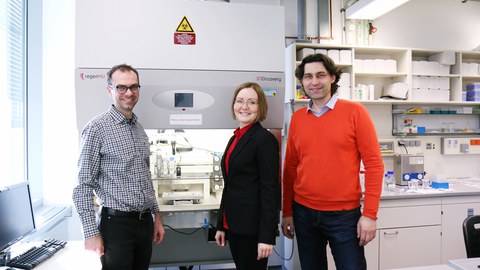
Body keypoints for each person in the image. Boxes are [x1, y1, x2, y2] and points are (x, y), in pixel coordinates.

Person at [281, 53, 384, 270]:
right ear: (302, 82)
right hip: (304, 213)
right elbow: (290, 169)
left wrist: (369, 215)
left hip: (344, 217)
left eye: (320, 75)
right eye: (308, 76)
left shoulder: (355, 112)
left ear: (333, 78)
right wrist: (287, 212)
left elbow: (374, 165)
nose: (314, 82)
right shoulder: (298, 119)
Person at [72, 64, 165, 270]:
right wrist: (90, 233)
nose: (129, 93)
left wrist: (156, 216)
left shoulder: (139, 130)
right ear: (110, 90)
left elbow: (145, 177)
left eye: (134, 87)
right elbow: (83, 184)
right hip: (115, 226)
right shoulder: (96, 128)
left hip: (144, 224)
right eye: (121, 87)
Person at [215, 82, 280, 270]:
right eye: (240, 101)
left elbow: (270, 190)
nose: (244, 107)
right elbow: (230, 186)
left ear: (260, 108)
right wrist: (221, 224)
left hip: (252, 229)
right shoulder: (235, 138)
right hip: (234, 225)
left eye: (251, 102)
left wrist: (266, 237)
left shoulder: (263, 139)